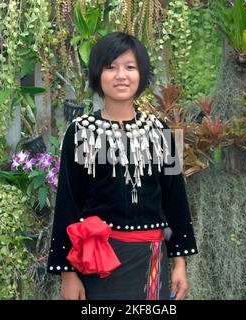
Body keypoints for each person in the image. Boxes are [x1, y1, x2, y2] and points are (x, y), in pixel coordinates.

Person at [47, 32, 198, 300]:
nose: (121, 75)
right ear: (97, 75)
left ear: (141, 75)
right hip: (98, 263)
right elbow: (68, 203)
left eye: (130, 67)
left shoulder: (160, 131)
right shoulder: (80, 132)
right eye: (111, 67)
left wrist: (180, 264)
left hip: (151, 260)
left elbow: (176, 199)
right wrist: (68, 274)